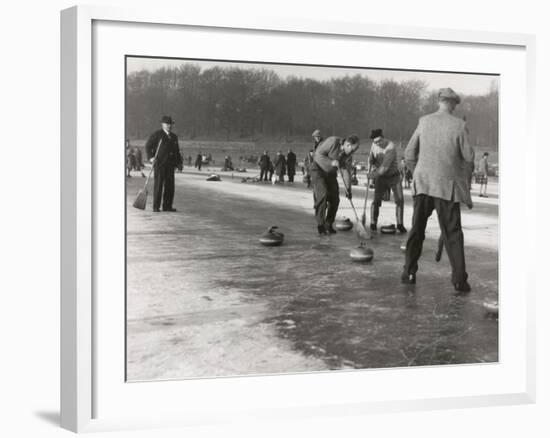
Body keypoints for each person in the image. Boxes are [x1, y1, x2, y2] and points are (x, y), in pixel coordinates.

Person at [402, 88, 475, 292]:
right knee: (453, 234)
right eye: (455, 104)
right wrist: (464, 182)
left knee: (417, 231)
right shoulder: (460, 125)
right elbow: (469, 158)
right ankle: (459, 280)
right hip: (447, 189)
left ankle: (409, 272)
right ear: (452, 104)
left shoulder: (423, 121)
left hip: (423, 185)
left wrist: (417, 172)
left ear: (439, 102)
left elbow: (409, 153)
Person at [311, 135, 361, 235]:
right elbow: (317, 155)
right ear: (347, 144)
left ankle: (328, 224)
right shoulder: (333, 142)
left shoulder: (348, 157)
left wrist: (348, 189)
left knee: (335, 199)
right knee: (323, 194)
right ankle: (320, 224)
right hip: (318, 170)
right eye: (352, 150)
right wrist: (331, 162)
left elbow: (346, 172)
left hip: (331, 174)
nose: (352, 153)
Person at [366, 129, 407, 233]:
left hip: (393, 176)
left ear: (383, 137)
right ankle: (373, 223)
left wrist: (372, 176)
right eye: (375, 142)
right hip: (381, 177)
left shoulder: (391, 147)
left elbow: (384, 168)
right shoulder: (374, 145)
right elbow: (371, 159)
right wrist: (371, 161)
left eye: (379, 141)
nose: (378, 143)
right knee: (376, 200)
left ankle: (400, 224)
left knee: (400, 200)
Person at [145, 116, 183, 212]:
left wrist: (179, 163)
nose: (169, 126)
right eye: (167, 124)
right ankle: (156, 207)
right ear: (162, 124)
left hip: (171, 165)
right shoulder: (157, 135)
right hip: (160, 164)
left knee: (170, 187)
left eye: (170, 124)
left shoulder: (174, 137)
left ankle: (167, 206)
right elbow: (148, 146)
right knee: (159, 186)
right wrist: (151, 158)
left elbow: (177, 152)